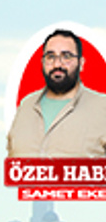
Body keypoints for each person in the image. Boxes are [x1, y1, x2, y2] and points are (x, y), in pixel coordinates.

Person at [7, 28, 106, 157]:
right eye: (51, 56)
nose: (57, 64)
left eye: (66, 56)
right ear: (43, 62)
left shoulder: (102, 108)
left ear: (81, 63)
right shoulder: (25, 107)